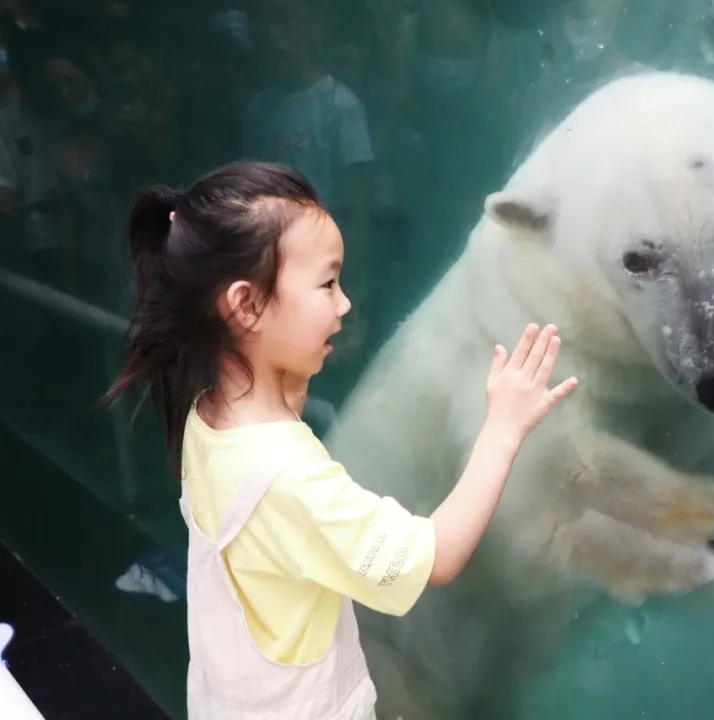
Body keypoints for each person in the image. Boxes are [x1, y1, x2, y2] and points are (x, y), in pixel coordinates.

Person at [105, 159, 578, 719]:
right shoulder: (291, 478)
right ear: (245, 306)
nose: (345, 303)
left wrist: (291, 369)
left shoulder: (206, 416)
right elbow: (437, 557)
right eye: (328, 283)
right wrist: (503, 427)